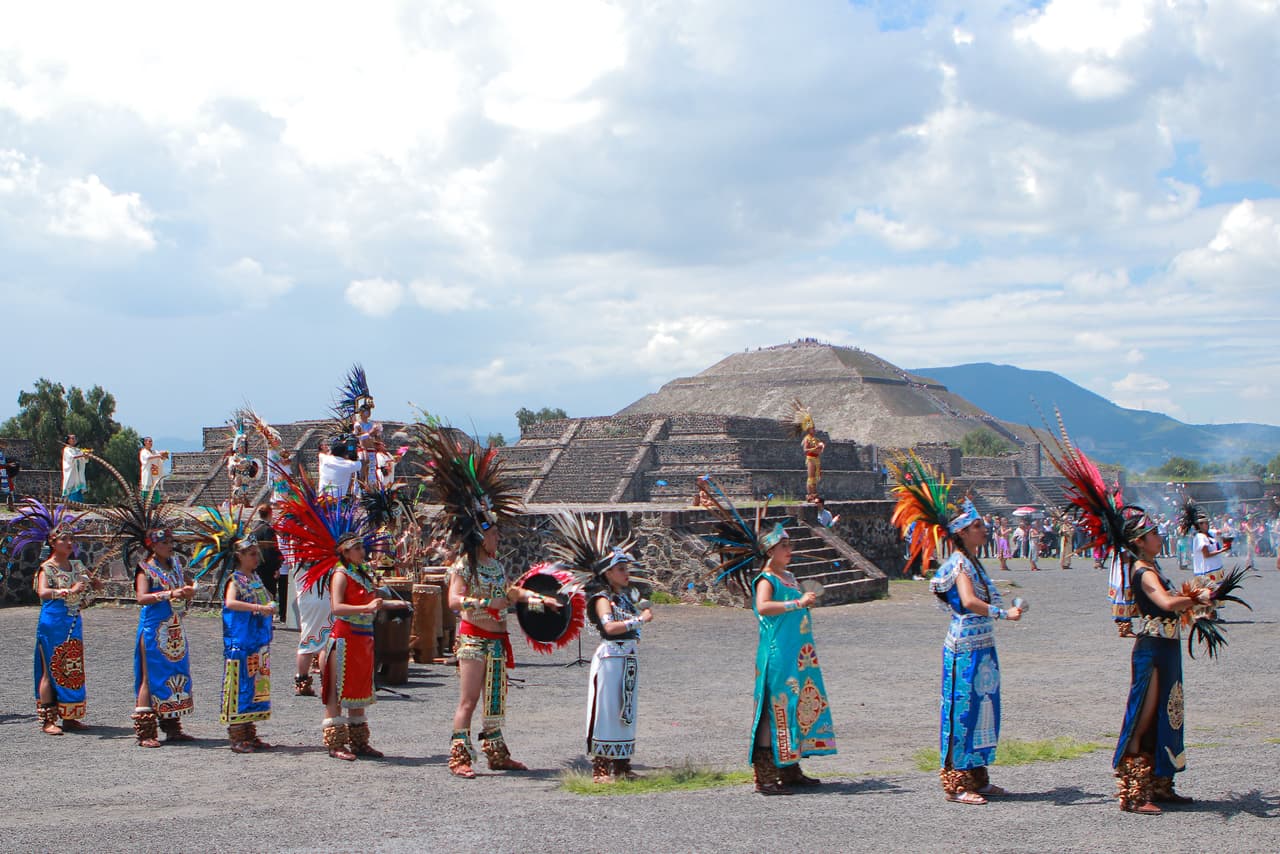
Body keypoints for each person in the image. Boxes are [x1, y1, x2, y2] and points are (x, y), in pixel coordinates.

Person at [417, 422, 549, 777]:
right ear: (479, 535)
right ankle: (459, 756)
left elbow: (508, 593)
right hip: (474, 640)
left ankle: (496, 752)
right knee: (469, 700)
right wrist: (483, 605)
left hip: (497, 640)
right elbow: (454, 601)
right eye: (493, 531)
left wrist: (538, 599)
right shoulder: (465, 564)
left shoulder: (496, 564)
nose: (498, 536)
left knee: (494, 702)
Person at [890, 454, 1021, 805]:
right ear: (962, 533)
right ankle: (959, 782)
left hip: (981, 644)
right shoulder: (960, 564)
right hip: (966, 644)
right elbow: (968, 600)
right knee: (965, 708)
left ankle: (978, 775)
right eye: (978, 527)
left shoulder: (972, 561)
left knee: (984, 707)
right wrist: (1002, 613)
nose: (984, 530)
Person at [700, 478, 836, 795]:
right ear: (769, 551)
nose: (790, 550)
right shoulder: (766, 578)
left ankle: (790, 768)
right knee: (773, 710)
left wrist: (804, 605)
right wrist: (796, 603)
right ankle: (765, 774)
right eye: (783, 546)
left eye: (789, 545)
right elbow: (762, 607)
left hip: (798, 654)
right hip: (777, 654)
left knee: (795, 706)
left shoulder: (789, 575)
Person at [275, 473, 409, 760]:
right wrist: (366, 609)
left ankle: (360, 741)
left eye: (362, 546)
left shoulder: (361, 574)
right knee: (336, 692)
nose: (363, 550)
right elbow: (336, 608)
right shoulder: (339, 574)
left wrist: (393, 606)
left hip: (363, 639)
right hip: (344, 640)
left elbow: (372, 602)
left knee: (359, 692)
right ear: (345, 553)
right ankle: (336, 743)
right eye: (357, 547)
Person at [1112, 510, 1210, 813]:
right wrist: (1197, 597)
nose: (1159, 536)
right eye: (1153, 533)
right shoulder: (1143, 570)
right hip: (1152, 649)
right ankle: (1135, 791)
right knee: (1144, 716)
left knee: (1168, 714)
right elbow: (1167, 603)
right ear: (1140, 542)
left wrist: (1199, 601)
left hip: (1167, 647)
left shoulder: (1153, 566)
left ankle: (1160, 783)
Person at [548, 513, 652, 784]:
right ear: (607, 573)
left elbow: (632, 617)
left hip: (628, 657)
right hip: (611, 659)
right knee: (606, 711)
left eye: (627, 568)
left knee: (625, 710)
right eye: (620, 569)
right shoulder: (602, 598)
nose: (626, 573)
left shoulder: (626, 597)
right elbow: (610, 628)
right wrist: (640, 619)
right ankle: (602, 767)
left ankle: (622, 764)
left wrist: (639, 612)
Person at [189, 508, 275, 753]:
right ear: (239, 557)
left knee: (255, 686)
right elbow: (230, 603)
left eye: (256, 553)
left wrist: (267, 606)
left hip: (257, 641)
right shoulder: (235, 580)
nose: (255, 558)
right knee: (240, 686)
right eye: (251, 554)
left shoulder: (255, 578)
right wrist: (259, 607)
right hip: (240, 641)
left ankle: (250, 732)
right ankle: (237, 736)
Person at [12, 500, 91, 735]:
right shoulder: (47, 568)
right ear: (52, 543)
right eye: (63, 539)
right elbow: (43, 593)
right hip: (53, 621)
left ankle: (70, 715)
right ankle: (47, 718)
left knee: (71, 666)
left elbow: (87, 585)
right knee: (50, 667)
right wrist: (67, 591)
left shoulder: (76, 565)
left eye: (71, 539)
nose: (68, 543)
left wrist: (91, 584)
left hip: (72, 620)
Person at [131, 521, 197, 745]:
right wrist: (169, 594)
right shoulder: (146, 569)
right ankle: (146, 731)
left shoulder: (175, 564)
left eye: (171, 542)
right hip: (154, 629)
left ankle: (172, 725)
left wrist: (188, 591)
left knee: (174, 674)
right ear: (153, 546)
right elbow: (141, 598)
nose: (170, 546)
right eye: (165, 542)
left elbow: (185, 584)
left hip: (174, 629)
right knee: (151, 677)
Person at [138, 437, 169, 505]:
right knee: (147, 489)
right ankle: (146, 504)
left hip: (155, 475)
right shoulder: (143, 452)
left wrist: (164, 455)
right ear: (145, 442)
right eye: (149, 441)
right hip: (148, 474)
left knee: (155, 489)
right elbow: (147, 458)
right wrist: (158, 456)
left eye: (151, 441)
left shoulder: (154, 452)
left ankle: (155, 505)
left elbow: (161, 458)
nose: (151, 443)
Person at [61, 435, 89, 503]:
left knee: (78, 487)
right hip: (72, 472)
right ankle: (70, 504)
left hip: (78, 472)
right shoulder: (67, 449)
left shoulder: (77, 450)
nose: (74, 440)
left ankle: (79, 504)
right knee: (71, 486)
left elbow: (84, 460)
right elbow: (71, 458)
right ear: (68, 440)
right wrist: (82, 455)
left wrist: (85, 456)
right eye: (72, 438)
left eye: (75, 438)